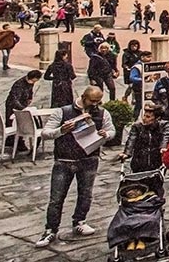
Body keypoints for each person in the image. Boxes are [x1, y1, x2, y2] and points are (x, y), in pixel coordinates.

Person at [35, 86, 114, 248]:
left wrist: (106, 135)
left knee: (85, 193)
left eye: (98, 101)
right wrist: (61, 130)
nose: (95, 105)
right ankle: (50, 229)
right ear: (83, 97)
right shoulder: (63, 112)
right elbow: (45, 133)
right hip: (64, 159)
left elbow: (112, 130)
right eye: (92, 101)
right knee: (56, 197)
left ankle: (79, 221)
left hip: (89, 158)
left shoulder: (102, 112)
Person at [120, 101, 168, 173]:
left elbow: (165, 136)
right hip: (139, 161)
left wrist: (163, 147)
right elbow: (131, 140)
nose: (144, 118)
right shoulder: (137, 127)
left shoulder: (162, 126)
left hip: (155, 161)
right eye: (144, 115)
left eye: (148, 117)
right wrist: (127, 153)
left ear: (157, 118)